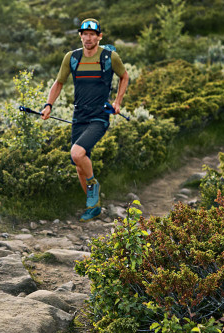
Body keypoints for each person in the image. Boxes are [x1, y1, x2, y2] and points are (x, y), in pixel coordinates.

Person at [41, 18, 129, 222]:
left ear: (99, 36)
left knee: (77, 152)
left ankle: (93, 187)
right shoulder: (72, 58)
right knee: (78, 162)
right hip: (79, 116)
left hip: (99, 116)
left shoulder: (109, 57)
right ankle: (94, 206)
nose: (88, 38)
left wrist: (117, 102)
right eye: (85, 34)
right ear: (80, 35)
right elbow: (58, 83)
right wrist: (48, 105)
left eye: (92, 34)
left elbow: (124, 76)